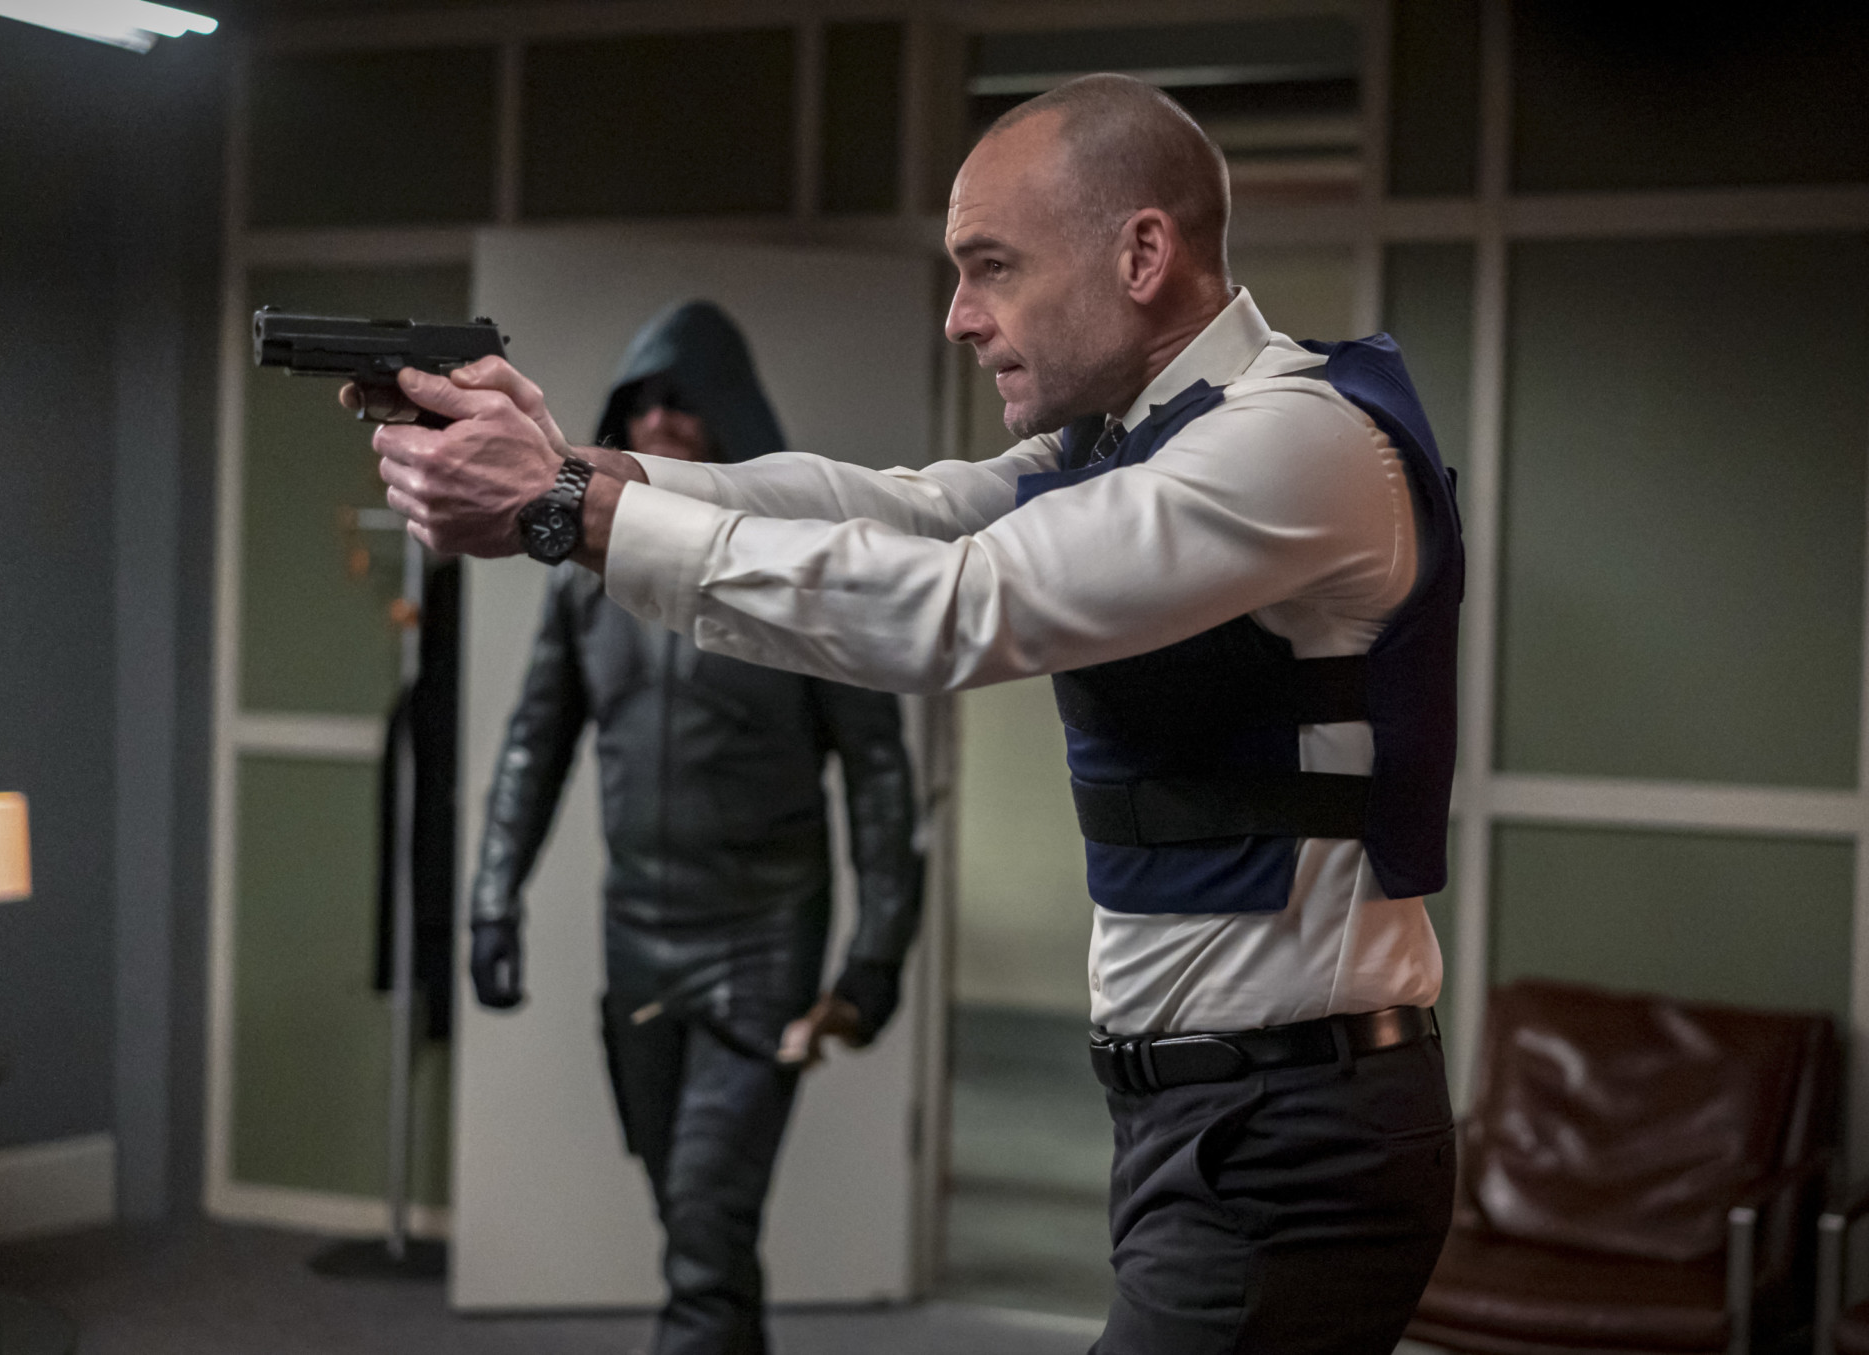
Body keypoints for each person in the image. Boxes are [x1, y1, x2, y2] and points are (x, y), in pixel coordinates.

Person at [374, 74, 1460, 1354]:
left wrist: (569, 509)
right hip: (1208, 1115)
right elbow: (898, 507)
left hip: (1291, 1129)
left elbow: (958, 603)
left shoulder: (1295, 440)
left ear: (1142, 254)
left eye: (992, 266)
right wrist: (578, 467)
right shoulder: (1121, 437)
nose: (959, 317)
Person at [464, 300, 923, 1355]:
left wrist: (876, 953)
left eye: (685, 399)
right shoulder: (586, 581)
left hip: (761, 942)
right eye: (642, 402)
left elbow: (878, 770)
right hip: (638, 938)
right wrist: (492, 898)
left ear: (730, 416)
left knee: (705, 1237)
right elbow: (535, 742)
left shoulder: (803, 568)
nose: (661, 419)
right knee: (692, 1216)